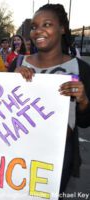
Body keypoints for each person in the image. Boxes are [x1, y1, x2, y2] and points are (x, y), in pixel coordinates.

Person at [10, 4, 90, 196]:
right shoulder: (19, 63)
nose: (38, 31)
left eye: (47, 24)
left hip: (60, 155)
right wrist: (10, 81)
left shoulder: (81, 68)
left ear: (62, 28)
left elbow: (86, 122)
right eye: (34, 26)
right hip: (18, 152)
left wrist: (83, 100)